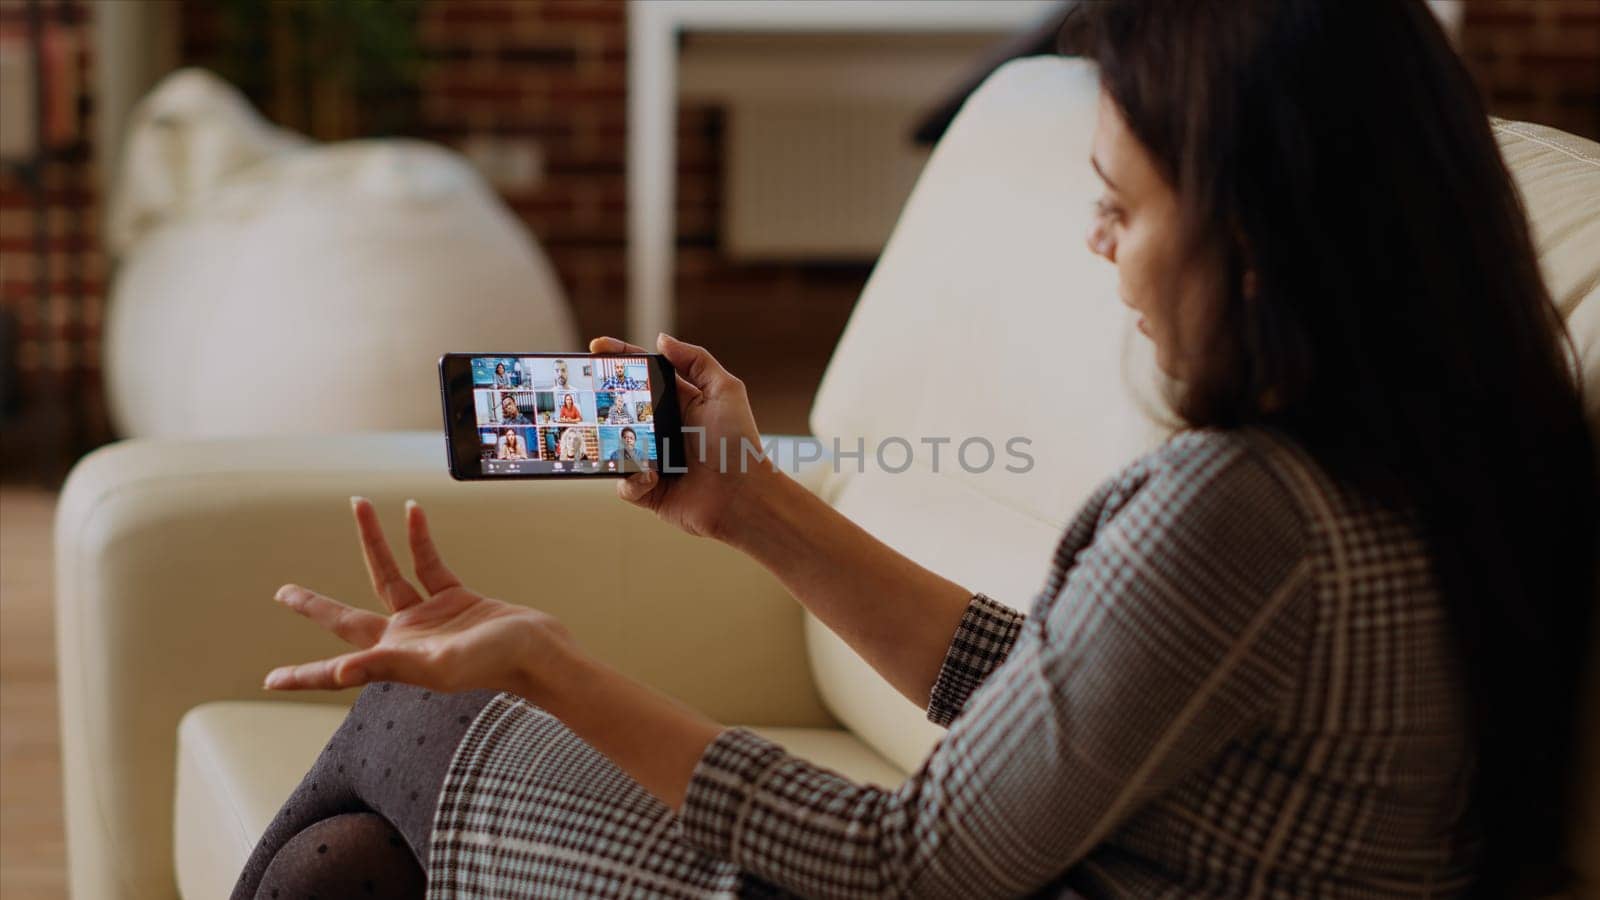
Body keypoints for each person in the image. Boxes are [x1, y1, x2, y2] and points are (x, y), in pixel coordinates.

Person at [235, 3, 1597, 898]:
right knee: (356, 861)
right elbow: (1076, 702)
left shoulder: (1246, 505)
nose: (1096, 240)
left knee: (412, 719)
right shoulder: (1450, 456)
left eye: (1122, 203)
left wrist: (541, 658)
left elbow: (908, 864)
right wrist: (750, 505)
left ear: (1259, 239)